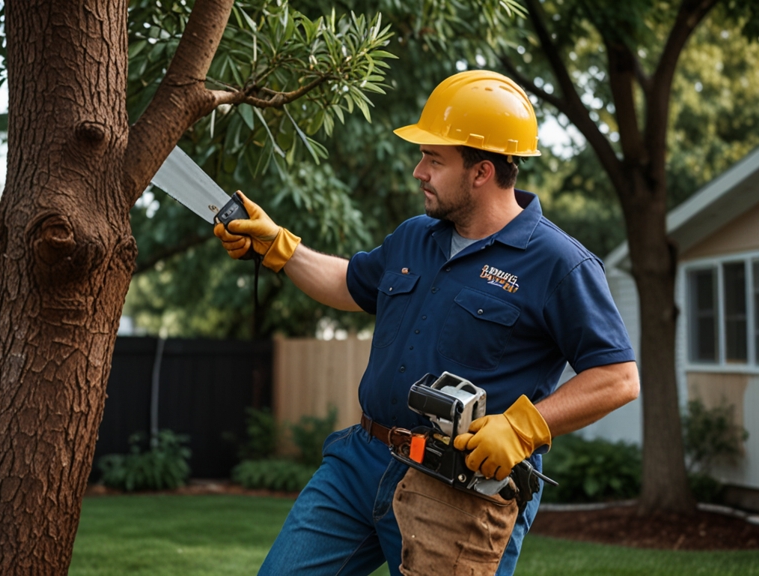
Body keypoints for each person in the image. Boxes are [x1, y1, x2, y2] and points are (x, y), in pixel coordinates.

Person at [214, 70, 639, 575]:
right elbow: (351, 284)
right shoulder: (417, 236)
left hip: (458, 490)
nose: (419, 171)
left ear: (481, 172)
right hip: (360, 461)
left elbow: (617, 377)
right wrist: (278, 248)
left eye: (433, 159)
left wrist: (525, 428)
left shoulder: (558, 263)